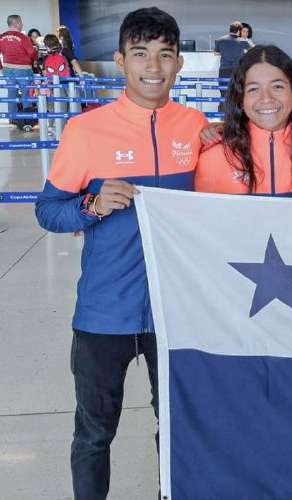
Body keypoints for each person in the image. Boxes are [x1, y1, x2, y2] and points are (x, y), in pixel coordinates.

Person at [35, 7, 208, 499]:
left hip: (175, 310)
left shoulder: (195, 127)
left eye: (164, 55)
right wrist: (91, 205)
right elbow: (49, 211)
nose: (152, 67)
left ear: (177, 65)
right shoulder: (87, 131)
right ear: (120, 60)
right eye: (140, 54)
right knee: (94, 433)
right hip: (103, 311)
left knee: (175, 430)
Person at [196, 44, 292, 198]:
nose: (266, 99)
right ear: (241, 100)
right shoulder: (213, 161)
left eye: (277, 87)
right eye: (253, 89)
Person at [0, 15, 38, 114]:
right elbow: (32, 52)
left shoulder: (1, 37)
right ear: (16, 23)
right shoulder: (23, 37)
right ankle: (27, 119)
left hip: (7, 69)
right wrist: (35, 59)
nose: (22, 24)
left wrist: (1, 67)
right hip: (23, 69)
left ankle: (12, 119)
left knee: (11, 94)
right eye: (21, 22)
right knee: (26, 94)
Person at [214, 21, 252, 108]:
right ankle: (237, 117)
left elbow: (216, 53)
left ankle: (222, 116)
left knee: (224, 94)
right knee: (238, 94)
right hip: (237, 71)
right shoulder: (243, 41)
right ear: (239, 31)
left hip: (224, 70)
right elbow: (252, 51)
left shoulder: (220, 40)